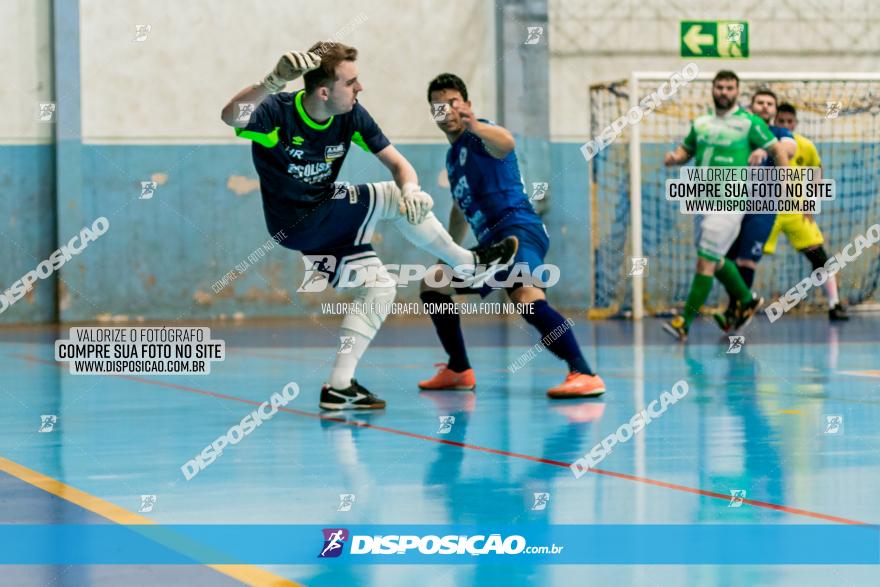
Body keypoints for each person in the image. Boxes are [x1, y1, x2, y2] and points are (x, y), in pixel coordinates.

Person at [221, 45, 518, 410]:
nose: (360, 87)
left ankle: (338, 387)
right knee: (389, 197)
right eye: (351, 81)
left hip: (325, 226)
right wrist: (273, 80)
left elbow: (398, 163)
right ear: (324, 91)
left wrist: (411, 189)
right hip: (298, 221)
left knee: (379, 288)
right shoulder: (277, 112)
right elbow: (231, 117)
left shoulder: (352, 115)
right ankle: (469, 265)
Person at [417, 73, 605, 398]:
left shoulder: (481, 134)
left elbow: (506, 142)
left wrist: (474, 124)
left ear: (467, 105)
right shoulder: (452, 158)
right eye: (437, 107)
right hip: (490, 245)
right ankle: (459, 369)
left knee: (526, 297)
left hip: (518, 231)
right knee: (433, 282)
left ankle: (584, 373)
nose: (445, 112)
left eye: (452, 103)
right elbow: (460, 211)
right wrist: (447, 251)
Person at [662, 70, 790, 341]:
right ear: (712, 89)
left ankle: (683, 323)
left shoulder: (749, 123)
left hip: (730, 199)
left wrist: (783, 182)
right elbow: (688, 150)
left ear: (737, 91)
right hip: (702, 198)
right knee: (714, 259)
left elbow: (779, 149)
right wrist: (676, 158)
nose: (724, 92)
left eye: (729, 88)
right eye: (719, 87)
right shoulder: (701, 123)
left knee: (705, 261)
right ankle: (746, 298)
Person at [714, 89, 797, 331]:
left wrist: (768, 148)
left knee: (746, 260)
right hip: (734, 202)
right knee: (724, 260)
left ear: (774, 110)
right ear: (751, 106)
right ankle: (739, 307)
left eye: (770, 104)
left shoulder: (780, 134)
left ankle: (734, 312)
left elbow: (788, 149)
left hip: (762, 207)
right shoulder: (742, 131)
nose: (764, 107)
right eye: (760, 102)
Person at [764, 102, 848, 320]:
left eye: (789, 121)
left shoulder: (806, 146)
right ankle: (738, 309)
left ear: (796, 123)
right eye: (781, 121)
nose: (785, 125)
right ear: (775, 122)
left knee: (819, 257)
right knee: (745, 257)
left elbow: (817, 172)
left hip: (797, 212)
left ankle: (834, 304)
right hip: (766, 212)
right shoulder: (764, 143)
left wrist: (810, 202)